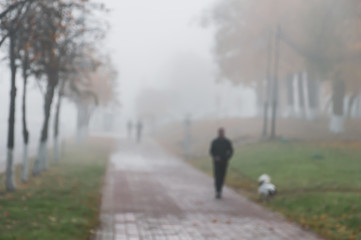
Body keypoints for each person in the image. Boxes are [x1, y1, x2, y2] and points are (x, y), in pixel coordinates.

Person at [209, 128, 233, 199]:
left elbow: (231, 151)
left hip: (224, 162)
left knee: (222, 177)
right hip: (216, 163)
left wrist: (227, 157)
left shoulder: (227, 142)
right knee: (217, 177)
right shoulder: (214, 142)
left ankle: (220, 190)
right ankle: (217, 191)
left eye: (222, 132)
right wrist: (215, 157)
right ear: (218, 133)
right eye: (220, 132)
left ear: (224, 133)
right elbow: (211, 151)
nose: (221, 133)